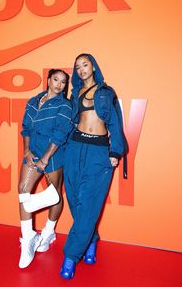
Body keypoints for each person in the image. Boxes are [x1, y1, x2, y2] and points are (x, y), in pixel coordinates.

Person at [60, 54, 126, 279]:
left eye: (85, 64)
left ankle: (70, 256)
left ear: (94, 67)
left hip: (98, 154)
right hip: (74, 148)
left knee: (88, 205)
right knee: (76, 203)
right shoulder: (74, 94)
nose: (81, 69)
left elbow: (115, 122)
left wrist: (115, 151)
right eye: (77, 67)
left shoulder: (106, 92)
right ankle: (91, 239)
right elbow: (68, 122)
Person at [18, 69, 73, 269]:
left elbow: (60, 134)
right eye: (56, 79)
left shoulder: (65, 106)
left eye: (63, 82)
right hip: (33, 153)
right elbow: (26, 128)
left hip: (54, 154)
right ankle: (28, 238)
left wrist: (45, 159)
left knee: (54, 194)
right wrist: (26, 151)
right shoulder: (33, 101)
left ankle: (49, 232)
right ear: (48, 80)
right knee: (23, 191)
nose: (59, 84)